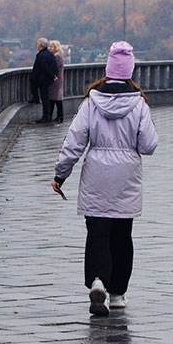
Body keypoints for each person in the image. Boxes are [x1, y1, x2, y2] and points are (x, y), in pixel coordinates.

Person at [52, 41, 158, 316]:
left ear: (107, 70)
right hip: (126, 178)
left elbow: (74, 142)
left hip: (96, 175)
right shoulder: (139, 105)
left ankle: (98, 279)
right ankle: (118, 294)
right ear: (130, 71)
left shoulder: (91, 103)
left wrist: (60, 175)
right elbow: (149, 145)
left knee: (97, 232)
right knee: (122, 236)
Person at [31, 38, 58, 123]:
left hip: (43, 80)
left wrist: (50, 75)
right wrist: (53, 75)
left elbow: (44, 67)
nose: (37, 45)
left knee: (45, 98)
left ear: (41, 45)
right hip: (47, 79)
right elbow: (54, 67)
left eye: (38, 44)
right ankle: (47, 116)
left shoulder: (42, 55)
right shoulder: (50, 54)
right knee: (45, 98)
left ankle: (46, 117)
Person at [47, 40, 66, 123]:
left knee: (56, 99)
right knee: (56, 98)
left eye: (51, 46)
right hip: (58, 79)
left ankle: (59, 116)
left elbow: (55, 68)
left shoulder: (57, 56)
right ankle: (58, 116)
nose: (49, 48)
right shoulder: (58, 55)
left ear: (55, 47)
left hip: (56, 80)